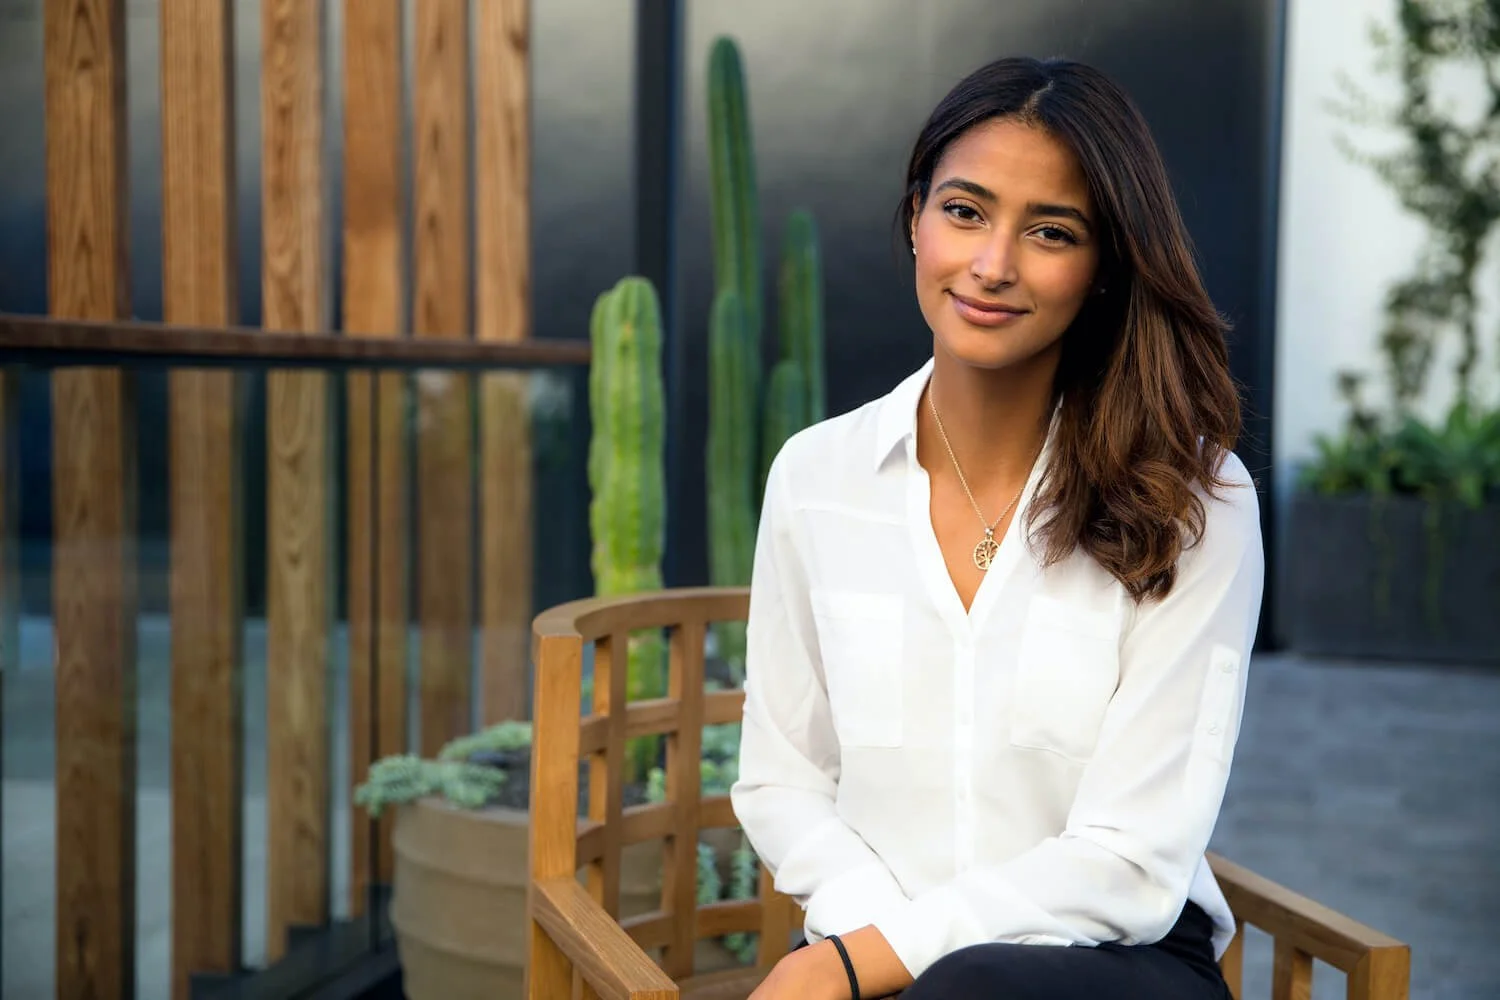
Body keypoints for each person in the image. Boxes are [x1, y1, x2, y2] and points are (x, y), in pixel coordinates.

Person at [730, 54, 1264, 1000]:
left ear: (1104, 268)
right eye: (965, 211)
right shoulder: (815, 479)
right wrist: (869, 942)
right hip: (878, 948)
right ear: (914, 220)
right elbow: (784, 780)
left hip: (1118, 963)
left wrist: (861, 965)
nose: (992, 265)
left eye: (1050, 231)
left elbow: (1132, 860)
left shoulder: (1193, 499)